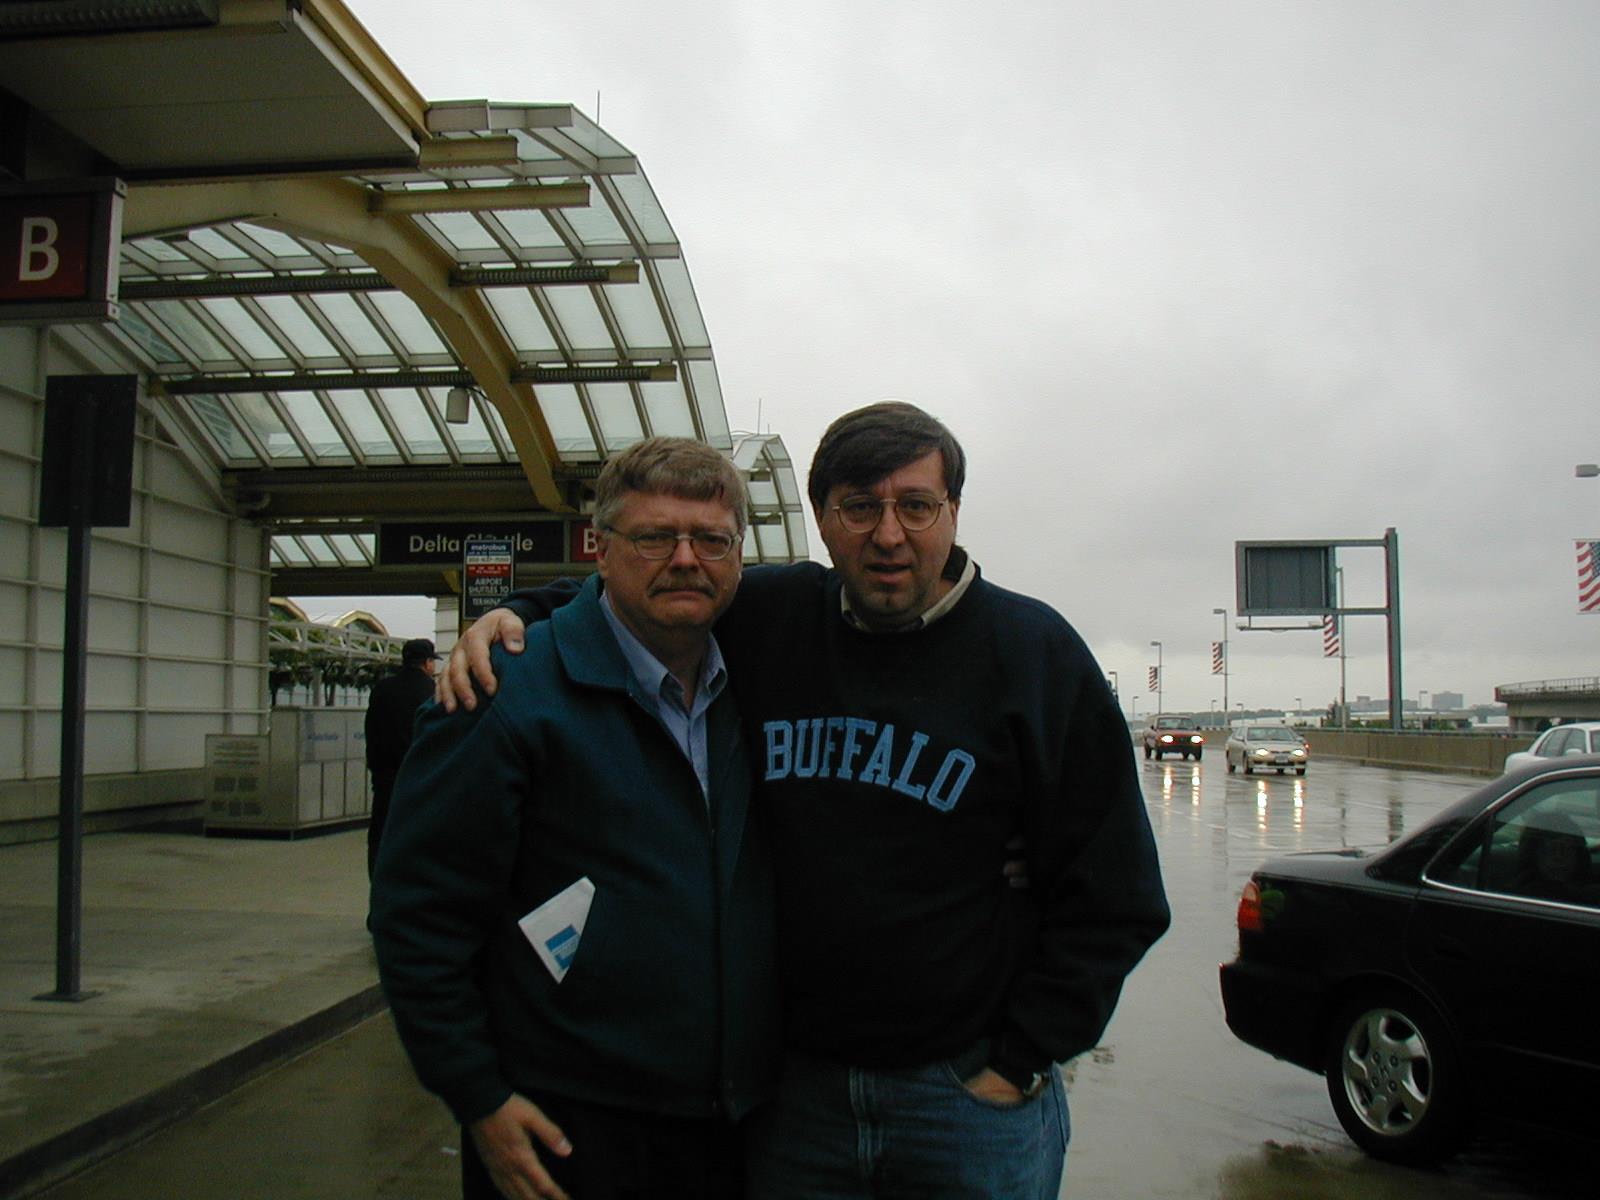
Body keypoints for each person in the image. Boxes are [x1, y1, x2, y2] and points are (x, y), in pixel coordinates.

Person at [444, 402, 1171, 1199]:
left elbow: (1117, 892)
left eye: (916, 506)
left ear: (953, 514)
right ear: (823, 521)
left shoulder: (1036, 656)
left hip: (964, 1104)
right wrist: (520, 617)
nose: (888, 535)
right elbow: (646, 587)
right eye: (859, 507)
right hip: (794, 1100)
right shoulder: (774, 617)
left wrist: (1023, 1055)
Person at [371, 437, 778, 1200]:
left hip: (733, 1127)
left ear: (738, 553)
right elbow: (418, 917)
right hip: (569, 1129)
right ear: (600, 548)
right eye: (655, 537)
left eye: (711, 540)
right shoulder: (504, 695)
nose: (686, 559)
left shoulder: (760, 676)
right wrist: (477, 1097)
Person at [363, 636, 439, 878]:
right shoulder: (433, 691)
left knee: (381, 837)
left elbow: (371, 731)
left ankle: (378, 882)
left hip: (385, 779)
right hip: (420, 780)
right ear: (427, 663)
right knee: (417, 839)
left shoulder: (382, 689)